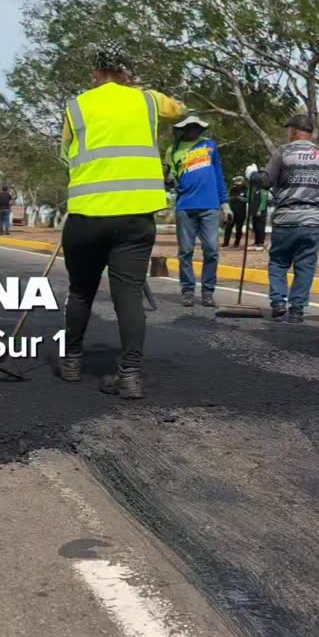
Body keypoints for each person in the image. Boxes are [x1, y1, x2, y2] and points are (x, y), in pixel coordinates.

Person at [58, 42, 186, 398]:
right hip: (134, 218)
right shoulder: (148, 100)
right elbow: (181, 109)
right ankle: (129, 374)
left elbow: (65, 153)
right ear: (128, 72)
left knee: (80, 291)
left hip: (86, 216)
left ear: (95, 73)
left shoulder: (76, 106)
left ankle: (71, 361)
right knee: (127, 295)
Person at [250, 115, 319, 323]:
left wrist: (253, 176)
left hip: (285, 220)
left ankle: (279, 303)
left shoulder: (283, 152)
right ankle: (297, 309)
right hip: (312, 221)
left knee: (279, 263)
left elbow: (265, 181)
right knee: (305, 265)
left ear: (292, 131)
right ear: (311, 133)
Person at [166, 114, 232, 307]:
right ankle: (187, 290)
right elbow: (170, 178)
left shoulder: (210, 145)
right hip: (185, 206)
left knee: (211, 250)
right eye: (189, 126)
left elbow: (219, 175)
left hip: (210, 206)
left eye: (196, 126)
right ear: (182, 129)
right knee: (185, 251)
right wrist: (169, 178)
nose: (193, 129)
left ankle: (207, 291)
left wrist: (225, 203)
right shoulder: (173, 150)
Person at [223, 176, 247, 248]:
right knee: (228, 227)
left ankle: (237, 243)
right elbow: (227, 197)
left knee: (238, 228)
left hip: (241, 212)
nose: (238, 183)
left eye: (239, 181)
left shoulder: (246, 189)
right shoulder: (232, 189)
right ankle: (226, 242)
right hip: (232, 211)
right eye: (237, 181)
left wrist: (240, 198)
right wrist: (232, 198)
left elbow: (248, 199)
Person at [252, 185, 270, 251]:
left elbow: (263, 202)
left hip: (261, 212)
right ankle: (256, 241)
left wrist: (259, 210)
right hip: (254, 212)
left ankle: (261, 242)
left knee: (260, 227)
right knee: (256, 227)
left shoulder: (263, 191)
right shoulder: (256, 190)